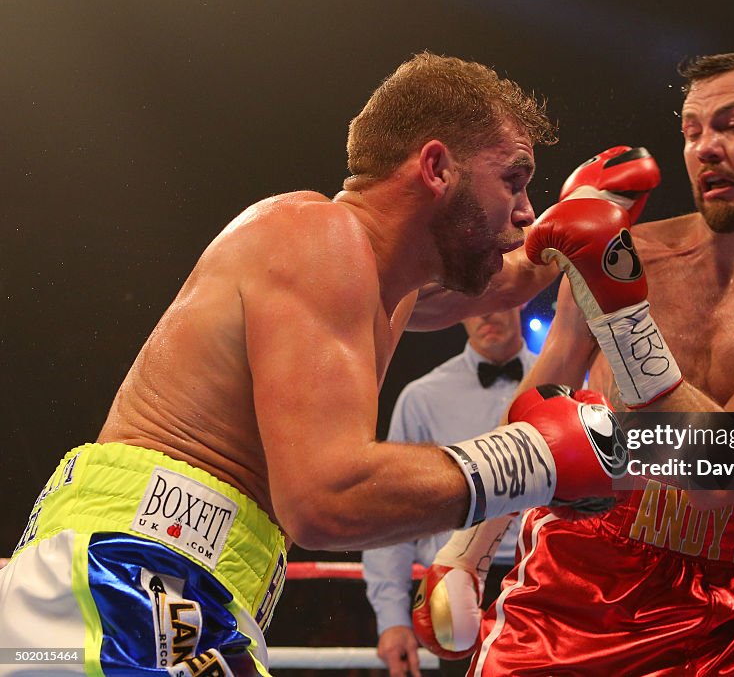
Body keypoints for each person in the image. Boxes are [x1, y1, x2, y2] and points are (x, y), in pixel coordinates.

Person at [0, 53, 628, 677]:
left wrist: (585, 221)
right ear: (437, 168)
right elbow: (327, 498)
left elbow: (508, 280)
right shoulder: (316, 235)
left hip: (178, 586)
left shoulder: (383, 285)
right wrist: (534, 461)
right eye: (513, 182)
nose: (524, 211)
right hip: (131, 576)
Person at [418, 52, 734, 676]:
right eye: (693, 131)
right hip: (583, 584)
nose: (706, 148)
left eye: (733, 124)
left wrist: (621, 312)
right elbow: (541, 404)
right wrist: (466, 551)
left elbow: (720, 474)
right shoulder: (631, 250)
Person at [364, 307, 535, 677]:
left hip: (545, 577)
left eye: (498, 299)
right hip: (455, 585)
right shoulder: (423, 398)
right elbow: (393, 511)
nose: (485, 314)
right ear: (458, 310)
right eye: (476, 302)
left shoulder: (564, 380)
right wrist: (391, 619)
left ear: (520, 298)